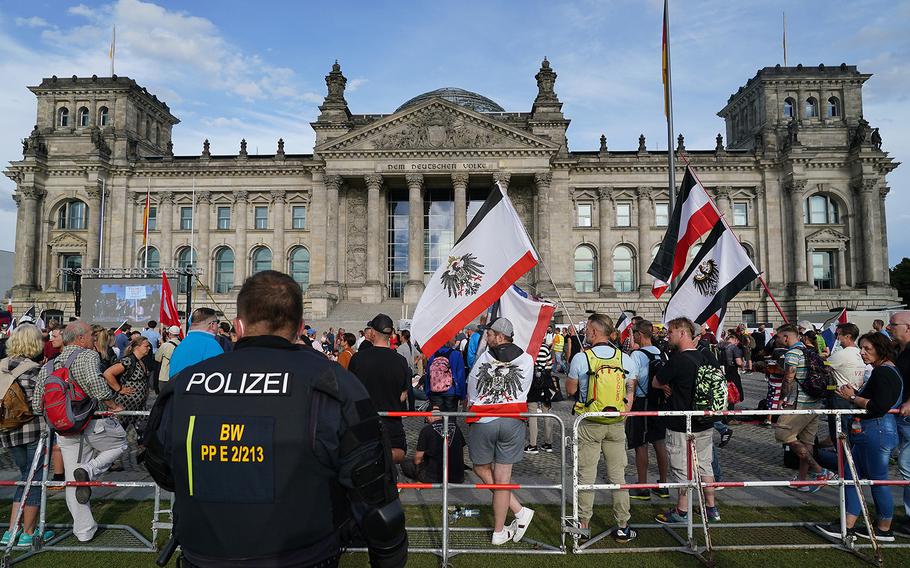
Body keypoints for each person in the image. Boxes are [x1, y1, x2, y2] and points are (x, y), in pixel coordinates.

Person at [146, 270, 408, 567]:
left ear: (238, 326)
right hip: (303, 555)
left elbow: (161, 468)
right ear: (299, 327)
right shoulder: (334, 384)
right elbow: (377, 499)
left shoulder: (185, 383)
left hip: (204, 554)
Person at [34, 320, 129, 542]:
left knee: (72, 478)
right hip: (90, 422)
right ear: (80, 338)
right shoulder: (88, 356)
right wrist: (114, 406)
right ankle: (91, 469)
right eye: (91, 335)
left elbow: (38, 403)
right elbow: (95, 385)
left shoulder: (50, 365)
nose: (94, 339)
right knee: (120, 443)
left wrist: (59, 415)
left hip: (64, 429)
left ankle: (84, 531)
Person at [816, 332, 903, 542]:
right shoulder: (886, 371)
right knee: (852, 476)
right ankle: (852, 524)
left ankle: (882, 528)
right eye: (862, 348)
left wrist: (853, 397)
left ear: (880, 350)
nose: (862, 353)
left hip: (876, 431)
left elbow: (879, 406)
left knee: (874, 480)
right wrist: (856, 394)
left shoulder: (883, 372)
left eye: (867, 349)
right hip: (875, 431)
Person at [566, 313, 638, 543]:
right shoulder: (625, 358)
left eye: (587, 328)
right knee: (618, 476)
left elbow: (569, 390)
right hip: (615, 422)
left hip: (588, 421)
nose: (585, 332)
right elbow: (630, 390)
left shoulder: (581, 358)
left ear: (595, 332)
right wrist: (623, 415)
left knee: (586, 474)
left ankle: (583, 522)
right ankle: (623, 525)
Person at [466, 317, 535, 545]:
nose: (487, 337)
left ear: (500, 336)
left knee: (481, 468)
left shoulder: (483, 359)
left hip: (484, 419)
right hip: (512, 419)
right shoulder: (526, 359)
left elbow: (472, 388)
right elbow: (524, 387)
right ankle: (511, 518)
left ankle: (506, 524)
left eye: (490, 333)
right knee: (502, 478)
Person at [654, 317, 721, 524]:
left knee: (681, 467)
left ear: (682, 333)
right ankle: (711, 508)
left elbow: (657, 381)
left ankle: (682, 511)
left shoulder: (678, 359)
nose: (668, 337)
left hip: (681, 422)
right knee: (705, 466)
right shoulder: (706, 356)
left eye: (670, 333)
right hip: (704, 420)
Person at [0, 324, 54, 547]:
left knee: (24, 477)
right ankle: (28, 532)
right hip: (33, 431)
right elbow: (40, 404)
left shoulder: (1, 365)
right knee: (35, 479)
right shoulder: (35, 370)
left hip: (7, 430)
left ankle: (11, 529)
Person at [774, 323, 837, 492]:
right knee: (807, 441)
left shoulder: (792, 354)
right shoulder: (810, 351)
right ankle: (802, 480)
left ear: (786, 337)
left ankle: (820, 471)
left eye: (779, 337)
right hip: (814, 401)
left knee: (782, 433)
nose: (777, 340)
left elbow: (789, 378)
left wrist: (782, 399)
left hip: (798, 403)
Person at [348, 314, 411, 463]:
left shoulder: (358, 359)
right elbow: (403, 395)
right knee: (396, 454)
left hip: (365, 421)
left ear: (372, 333)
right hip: (392, 421)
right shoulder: (400, 360)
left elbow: (349, 392)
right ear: (390, 335)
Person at [627, 320, 670, 501]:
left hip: (642, 401)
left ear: (640, 334)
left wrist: (629, 400)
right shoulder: (662, 353)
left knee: (641, 444)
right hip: (658, 401)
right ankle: (663, 484)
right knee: (659, 442)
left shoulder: (637, 355)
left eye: (634, 333)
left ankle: (643, 485)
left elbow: (633, 380)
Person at [400, 406, 466, 484]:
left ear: (428, 416)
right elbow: (461, 448)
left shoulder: (426, 430)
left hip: (434, 477)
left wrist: (418, 471)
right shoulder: (456, 426)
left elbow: (418, 458)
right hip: (458, 477)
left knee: (405, 463)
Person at [825, 323, 866, 441]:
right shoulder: (860, 352)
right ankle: (851, 456)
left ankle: (843, 458)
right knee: (852, 430)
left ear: (848, 336)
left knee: (839, 432)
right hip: (856, 394)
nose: (837, 338)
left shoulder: (842, 354)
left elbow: (823, 368)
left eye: (839, 335)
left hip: (840, 396)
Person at [889, 310, 910, 538]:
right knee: (905, 465)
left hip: (908, 415)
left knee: (906, 464)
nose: (889, 327)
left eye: (894, 324)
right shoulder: (898, 350)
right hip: (899, 415)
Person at [102, 336, 152, 433]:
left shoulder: (141, 361)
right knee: (119, 432)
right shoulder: (128, 361)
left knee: (143, 431)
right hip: (125, 404)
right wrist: (119, 389)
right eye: (146, 346)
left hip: (139, 405)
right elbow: (108, 373)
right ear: (137, 347)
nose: (149, 348)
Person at [167, 308, 224, 379]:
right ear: (212, 325)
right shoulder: (212, 344)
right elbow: (220, 378)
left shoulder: (182, 344)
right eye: (217, 322)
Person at [525, 339, 554, 454]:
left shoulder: (530, 349)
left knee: (532, 414)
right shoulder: (546, 348)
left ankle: (533, 444)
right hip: (546, 383)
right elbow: (550, 366)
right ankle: (548, 443)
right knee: (547, 413)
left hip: (533, 383)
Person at [424, 338, 467, 412]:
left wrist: (428, 392)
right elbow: (460, 376)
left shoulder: (433, 355)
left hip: (435, 390)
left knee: (437, 418)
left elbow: (428, 375)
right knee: (451, 418)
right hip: (451, 390)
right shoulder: (456, 354)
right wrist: (462, 395)